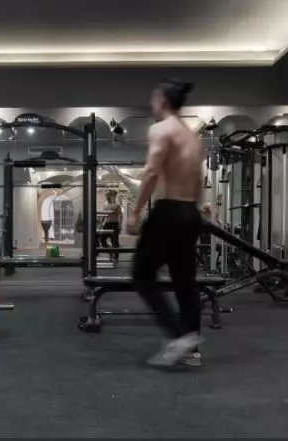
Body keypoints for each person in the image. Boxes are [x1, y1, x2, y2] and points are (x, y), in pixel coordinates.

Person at [126, 79, 206, 368]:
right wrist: (196, 212)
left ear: (162, 100)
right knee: (186, 283)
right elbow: (198, 180)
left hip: (169, 210)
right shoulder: (192, 137)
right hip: (189, 211)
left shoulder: (161, 129)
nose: (152, 103)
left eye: (153, 98)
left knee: (142, 274)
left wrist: (134, 213)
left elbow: (151, 172)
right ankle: (191, 350)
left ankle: (176, 338)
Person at [98, 190, 123, 261]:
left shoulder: (117, 205)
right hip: (107, 224)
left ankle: (116, 256)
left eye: (108, 195)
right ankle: (110, 252)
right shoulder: (105, 204)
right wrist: (101, 223)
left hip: (114, 224)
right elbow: (104, 215)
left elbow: (121, 215)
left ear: (112, 196)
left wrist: (120, 225)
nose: (107, 196)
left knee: (114, 241)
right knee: (102, 239)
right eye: (106, 195)